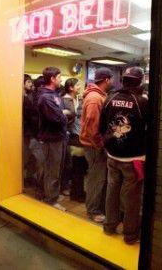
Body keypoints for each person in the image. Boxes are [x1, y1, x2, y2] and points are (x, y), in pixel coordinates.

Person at [99, 66, 148, 244]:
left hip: (112, 156)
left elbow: (101, 127)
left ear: (123, 79)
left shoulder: (109, 97)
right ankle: (130, 235)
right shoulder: (142, 102)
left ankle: (109, 226)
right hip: (133, 158)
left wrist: (109, 144)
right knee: (132, 198)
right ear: (140, 81)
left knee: (112, 192)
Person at [80, 68, 113, 223]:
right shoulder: (95, 98)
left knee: (98, 178)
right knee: (96, 179)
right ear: (106, 80)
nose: (112, 82)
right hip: (93, 146)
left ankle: (95, 208)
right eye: (111, 79)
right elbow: (92, 127)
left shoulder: (97, 96)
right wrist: (100, 145)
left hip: (93, 145)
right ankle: (93, 211)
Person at [37, 67, 68, 211]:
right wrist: (64, 114)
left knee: (55, 169)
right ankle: (50, 199)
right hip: (51, 138)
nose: (61, 80)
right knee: (51, 170)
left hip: (58, 137)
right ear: (52, 79)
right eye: (60, 77)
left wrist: (63, 114)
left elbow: (63, 114)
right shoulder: (45, 97)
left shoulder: (54, 95)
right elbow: (57, 118)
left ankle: (51, 194)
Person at [62, 78, 88, 201]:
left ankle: (74, 190)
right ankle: (72, 191)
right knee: (74, 165)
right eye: (77, 85)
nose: (79, 87)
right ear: (70, 87)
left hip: (77, 135)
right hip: (72, 136)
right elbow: (66, 118)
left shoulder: (79, 99)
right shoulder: (65, 100)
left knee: (76, 165)